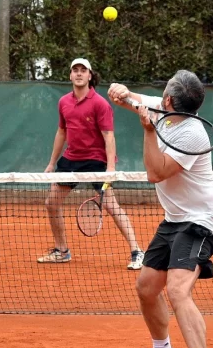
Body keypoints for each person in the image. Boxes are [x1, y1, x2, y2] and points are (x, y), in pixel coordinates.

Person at [108, 70, 213, 348]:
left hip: (201, 222)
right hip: (174, 220)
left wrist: (147, 131)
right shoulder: (164, 109)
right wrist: (121, 92)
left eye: (164, 92)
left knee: (176, 290)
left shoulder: (192, 134)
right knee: (147, 287)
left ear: (169, 100)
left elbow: (156, 174)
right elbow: (130, 100)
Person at [37, 58, 144, 270]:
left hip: (95, 160)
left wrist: (110, 169)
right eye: (74, 70)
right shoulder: (63, 102)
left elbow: (109, 136)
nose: (78, 73)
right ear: (70, 75)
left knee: (112, 206)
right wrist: (52, 163)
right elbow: (61, 132)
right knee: (51, 203)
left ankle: (137, 251)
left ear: (89, 75)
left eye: (82, 70)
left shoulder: (100, 103)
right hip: (71, 159)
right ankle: (62, 251)